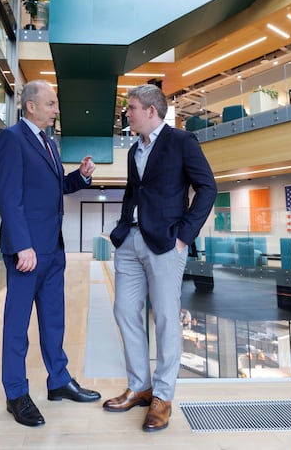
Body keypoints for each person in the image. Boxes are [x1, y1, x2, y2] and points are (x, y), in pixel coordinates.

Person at [103, 83, 217, 431]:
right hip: (130, 243)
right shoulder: (133, 149)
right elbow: (134, 192)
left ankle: (163, 396)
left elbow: (207, 188)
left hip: (166, 244)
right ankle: (140, 386)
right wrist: (122, 229)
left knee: (167, 318)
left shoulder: (182, 142)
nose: (127, 113)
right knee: (124, 309)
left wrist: (184, 236)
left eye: (132, 107)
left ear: (151, 110)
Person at [0, 79, 101, 428]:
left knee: (54, 319)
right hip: (27, 251)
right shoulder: (12, 139)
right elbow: (9, 197)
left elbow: (56, 189)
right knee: (17, 325)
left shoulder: (49, 144)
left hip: (53, 249)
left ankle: (58, 381)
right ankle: (16, 393)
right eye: (52, 104)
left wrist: (80, 177)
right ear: (31, 106)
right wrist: (22, 244)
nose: (57, 110)